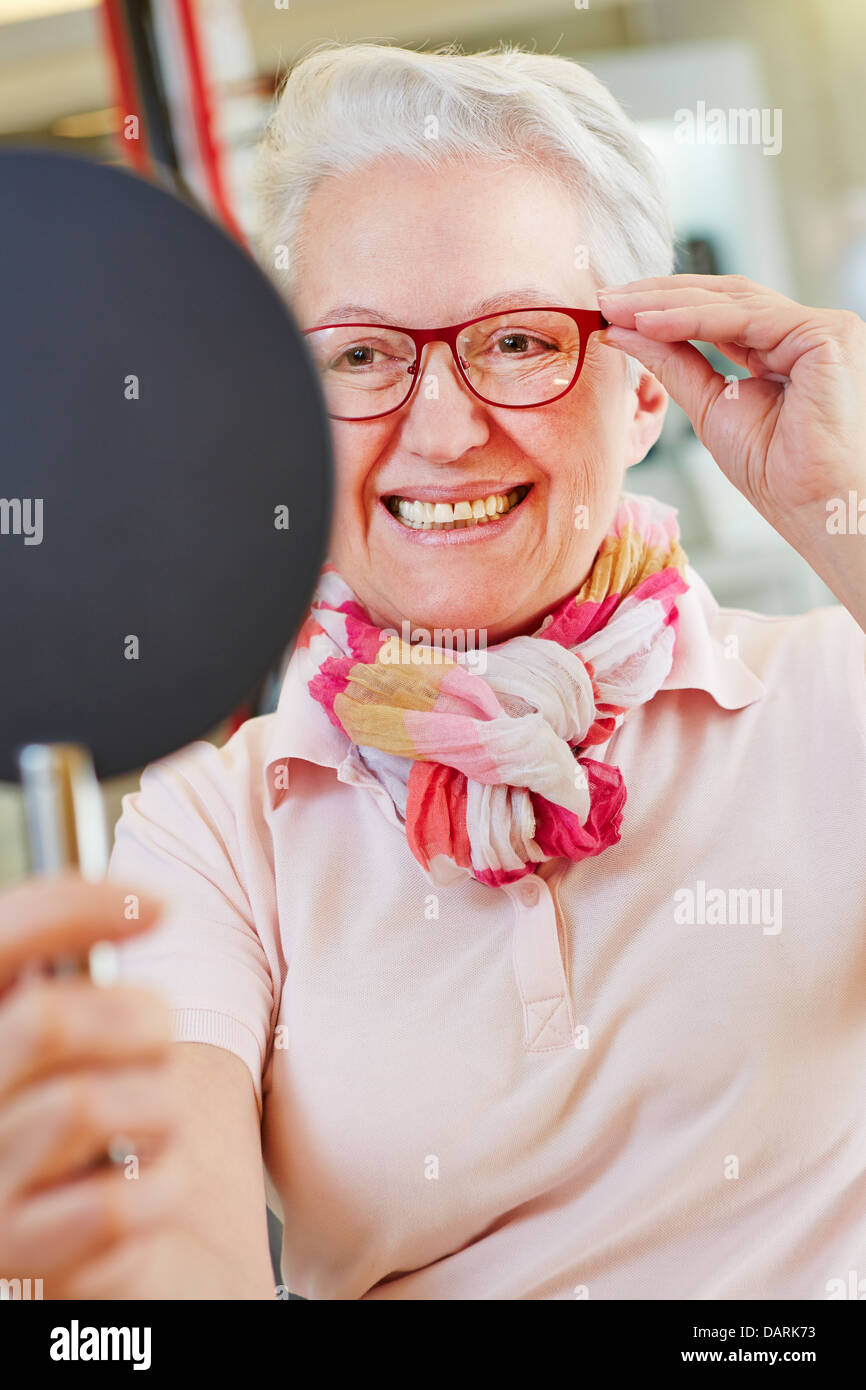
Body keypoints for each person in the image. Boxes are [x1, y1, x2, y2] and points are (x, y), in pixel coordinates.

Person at [1, 41, 865, 1301]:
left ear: (643, 391)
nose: (446, 429)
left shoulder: (826, 699)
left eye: (517, 341)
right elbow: (176, 1254)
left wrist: (846, 505)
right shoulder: (215, 829)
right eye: (359, 356)